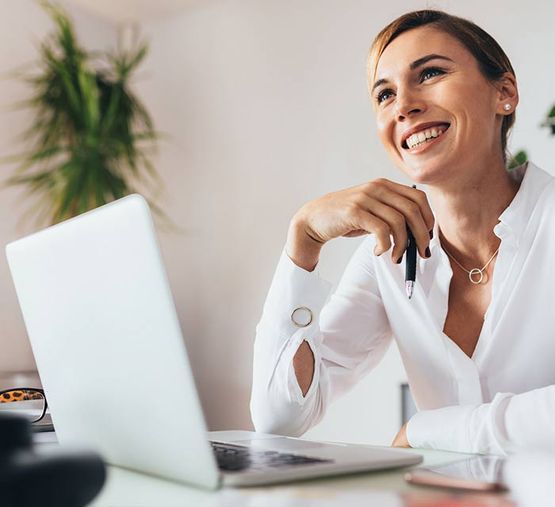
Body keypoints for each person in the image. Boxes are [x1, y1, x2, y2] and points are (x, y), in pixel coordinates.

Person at [250, 9, 555, 455]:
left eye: (430, 73)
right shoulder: (387, 257)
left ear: (504, 93)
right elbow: (281, 416)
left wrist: (426, 432)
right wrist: (303, 239)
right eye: (384, 95)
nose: (404, 105)